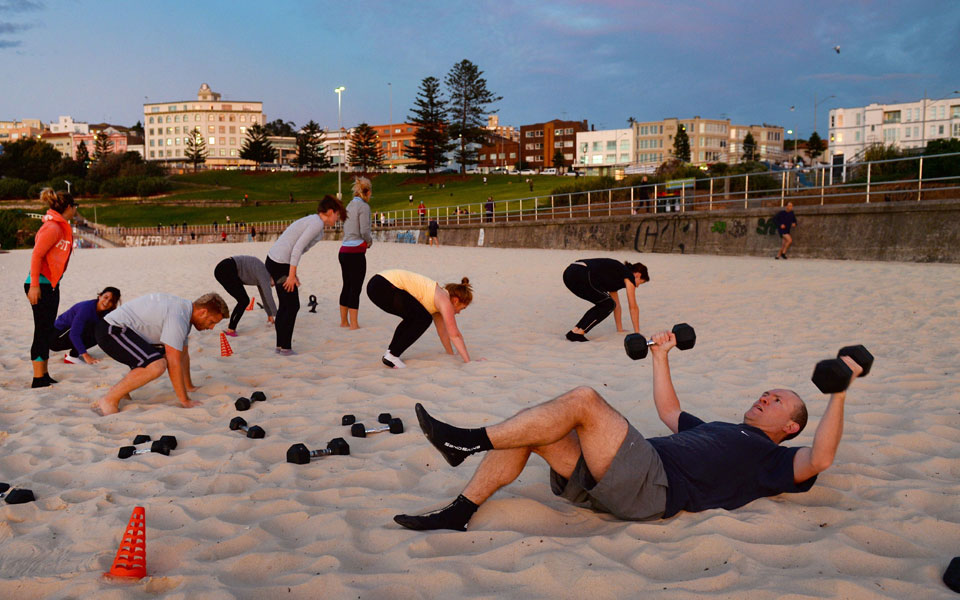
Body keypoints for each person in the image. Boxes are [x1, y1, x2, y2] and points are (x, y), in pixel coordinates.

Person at [394, 330, 862, 531]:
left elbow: (819, 459)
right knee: (530, 430)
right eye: (766, 392)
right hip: (621, 479)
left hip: (653, 486)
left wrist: (838, 393)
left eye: (776, 400)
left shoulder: (775, 459)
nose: (764, 398)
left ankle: (466, 441)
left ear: (791, 425)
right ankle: (459, 511)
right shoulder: (720, 428)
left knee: (583, 399)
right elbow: (670, 411)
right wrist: (660, 357)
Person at [92, 293, 228, 416]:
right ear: (203, 312)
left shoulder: (184, 312)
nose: (211, 328)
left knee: (159, 359)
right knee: (156, 365)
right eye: (212, 322)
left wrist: (189, 386)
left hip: (124, 332)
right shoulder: (178, 317)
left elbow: (183, 355)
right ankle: (109, 400)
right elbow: (174, 361)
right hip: (111, 330)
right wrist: (185, 401)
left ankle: (121, 391)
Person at [265, 195, 345, 354]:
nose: (338, 219)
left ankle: (280, 347)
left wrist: (292, 273)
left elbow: (298, 249)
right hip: (279, 263)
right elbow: (297, 248)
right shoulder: (315, 223)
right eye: (337, 215)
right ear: (330, 212)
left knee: (286, 305)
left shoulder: (317, 226)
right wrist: (291, 275)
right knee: (292, 305)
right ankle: (285, 347)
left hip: (277, 261)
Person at [366, 270, 475, 369]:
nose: (459, 312)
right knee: (423, 318)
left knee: (414, 317)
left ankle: (391, 353)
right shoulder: (444, 301)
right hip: (383, 285)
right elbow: (455, 335)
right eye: (462, 308)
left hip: (375, 284)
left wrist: (450, 354)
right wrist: (468, 361)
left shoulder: (438, 302)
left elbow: (443, 333)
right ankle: (392, 355)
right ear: (456, 301)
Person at [25, 189, 77, 388]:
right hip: (41, 284)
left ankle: (44, 375)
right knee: (41, 331)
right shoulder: (53, 228)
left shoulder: (58, 226)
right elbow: (36, 256)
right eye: (74, 207)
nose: (75, 211)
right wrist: (34, 286)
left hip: (51, 285)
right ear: (68, 208)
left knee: (46, 330)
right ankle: (38, 378)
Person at [562, 259, 649, 342]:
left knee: (606, 303)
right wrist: (637, 333)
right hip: (581, 273)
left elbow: (616, 306)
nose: (637, 286)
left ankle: (574, 332)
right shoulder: (629, 276)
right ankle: (579, 333)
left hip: (569, 274)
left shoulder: (616, 275)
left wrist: (620, 329)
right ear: (638, 275)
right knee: (608, 304)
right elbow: (633, 307)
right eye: (640, 282)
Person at [50, 287, 121, 364]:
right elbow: (74, 334)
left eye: (111, 301)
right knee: (94, 329)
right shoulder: (86, 308)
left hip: (70, 334)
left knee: (101, 330)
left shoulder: (106, 312)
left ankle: (76, 351)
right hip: (55, 339)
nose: (107, 302)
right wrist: (86, 356)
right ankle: (72, 356)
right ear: (100, 296)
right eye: (105, 297)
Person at [339, 177, 374, 329]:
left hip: (343, 250)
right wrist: (369, 241)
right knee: (356, 287)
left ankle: (343, 321)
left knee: (346, 285)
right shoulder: (364, 207)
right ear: (367, 192)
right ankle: (354, 323)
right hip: (356, 252)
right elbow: (364, 230)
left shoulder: (349, 205)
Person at [214, 255, 277, 336]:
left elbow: (264, 296)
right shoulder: (264, 274)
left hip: (224, 268)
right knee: (243, 300)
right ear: (273, 276)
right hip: (226, 268)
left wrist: (269, 315)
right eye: (275, 283)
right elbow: (269, 296)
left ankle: (231, 328)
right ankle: (231, 329)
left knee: (243, 300)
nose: (274, 286)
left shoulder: (262, 275)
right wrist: (276, 316)